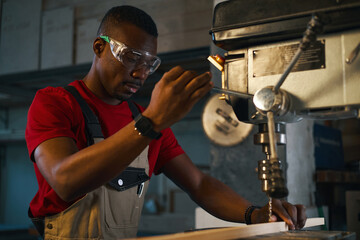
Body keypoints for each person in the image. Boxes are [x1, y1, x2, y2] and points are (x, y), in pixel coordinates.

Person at [25, 5, 307, 239]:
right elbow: (65, 180)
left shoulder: (144, 119)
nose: (141, 73)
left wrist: (255, 214)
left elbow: (199, 184)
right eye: (132, 58)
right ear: (100, 47)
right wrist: (151, 122)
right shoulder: (56, 103)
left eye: (150, 63)